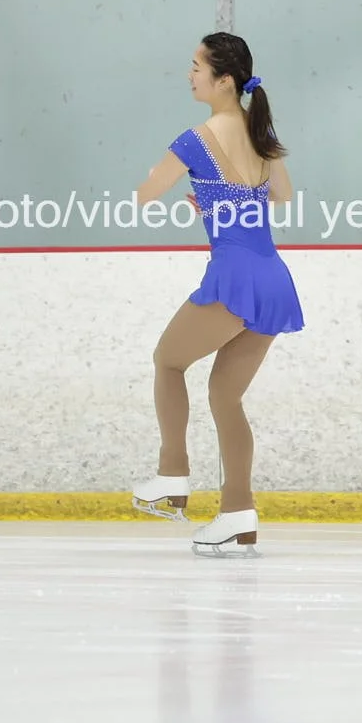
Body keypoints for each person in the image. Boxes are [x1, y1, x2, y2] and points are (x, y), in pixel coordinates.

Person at [128, 33, 302, 556]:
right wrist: (217, 203)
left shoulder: (195, 139)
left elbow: (145, 195)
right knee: (226, 397)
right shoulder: (259, 130)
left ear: (224, 80)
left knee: (167, 362)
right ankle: (238, 513)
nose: (190, 74)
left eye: (196, 66)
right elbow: (281, 195)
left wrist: (159, 182)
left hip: (235, 278)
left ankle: (172, 474)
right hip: (273, 278)